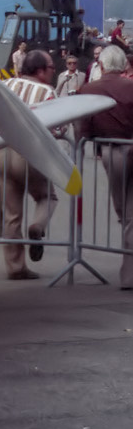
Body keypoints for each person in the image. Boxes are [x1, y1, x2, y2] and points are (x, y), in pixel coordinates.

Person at [0, 48, 59, 279]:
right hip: (30, 153)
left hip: (0, 151)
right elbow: (57, 126)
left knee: (11, 213)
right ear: (41, 71)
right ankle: (38, 227)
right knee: (47, 197)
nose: (53, 71)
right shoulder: (47, 92)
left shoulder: (7, 85)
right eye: (51, 67)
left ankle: (15, 267)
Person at [76, 45, 133, 290]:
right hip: (129, 145)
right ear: (124, 66)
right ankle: (129, 273)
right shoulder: (130, 88)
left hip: (110, 152)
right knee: (130, 214)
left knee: (125, 211)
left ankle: (129, 273)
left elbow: (82, 128)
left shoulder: (88, 90)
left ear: (101, 66)